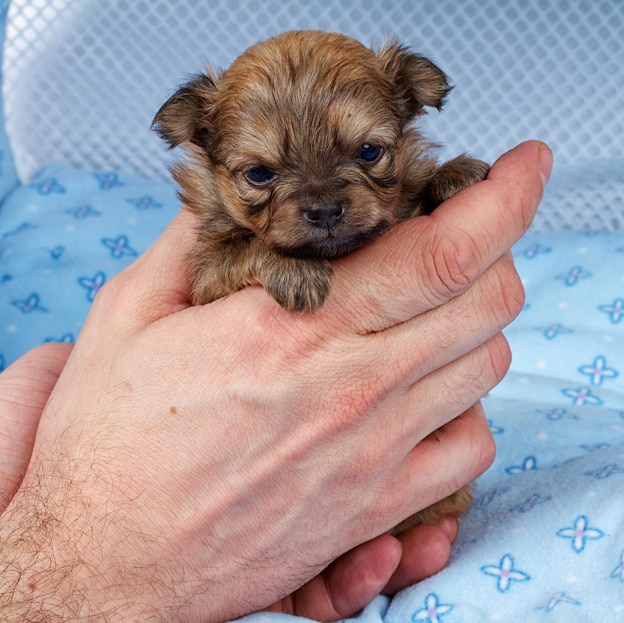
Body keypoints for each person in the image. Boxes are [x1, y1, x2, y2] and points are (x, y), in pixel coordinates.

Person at [0, 141, 551, 623]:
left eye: (366, 155)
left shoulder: (405, 195)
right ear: (206, 153)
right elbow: (210, 276)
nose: (323, 203)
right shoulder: (223, 239)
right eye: (262, 175)